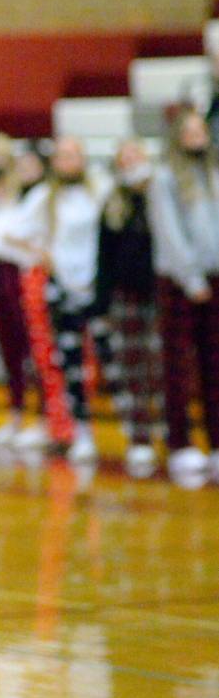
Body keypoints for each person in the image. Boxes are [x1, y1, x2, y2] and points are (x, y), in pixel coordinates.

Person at [9, 136, 115, 463]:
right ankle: (81, 431)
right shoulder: (45, 196)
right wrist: (45, 255)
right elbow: (12, 233)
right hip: (62, 288)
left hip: (96, 287)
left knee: (108, 359)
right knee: (69, 363)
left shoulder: (98, 191)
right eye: (63, 156)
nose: (69, 161)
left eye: (74, 155)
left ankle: (132, 433)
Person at [147, 105, 219, 487]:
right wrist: (191, 278)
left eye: (200, 130)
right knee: (179, 365)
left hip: (215, 277)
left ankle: (216, 442)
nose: (195, 137)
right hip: (180, 282)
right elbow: (170, 233)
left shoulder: (213, 173)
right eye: (188, 131)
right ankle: (180, 442)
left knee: (215, 364)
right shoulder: (164, 178)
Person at [93, 139, 163, 478]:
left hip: (161, 292)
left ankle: (169, 430)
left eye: (136, 155)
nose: (132, 161)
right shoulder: (113, 202)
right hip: (125, 295)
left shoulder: (162, 195)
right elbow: (104, 257)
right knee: (131, 368)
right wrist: (102, 301)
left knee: (161, 365)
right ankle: (139, 437)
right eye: (125, 157)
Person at [0, 133, 45, 448]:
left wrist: (4, 243)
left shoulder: (23, 195)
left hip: (19, 271)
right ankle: (15, 415)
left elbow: (19, 237)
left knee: (31, 343)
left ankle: (42, 417)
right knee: (8, 347)